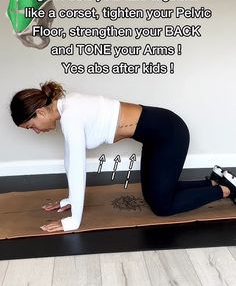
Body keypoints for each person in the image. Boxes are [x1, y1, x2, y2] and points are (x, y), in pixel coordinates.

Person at [10, 81, 236, 233]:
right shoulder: (67, 108)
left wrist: (73, 222)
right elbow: (70, 159)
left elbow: (78, 169)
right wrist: (69, 200)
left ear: (40, 112)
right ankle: (213, 181)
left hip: (170, 132)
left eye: (31, 127)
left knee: (162, 207)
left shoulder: (71, 116)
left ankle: (225, 190)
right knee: (153, 195)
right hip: (156, 135)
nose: (36, 131)